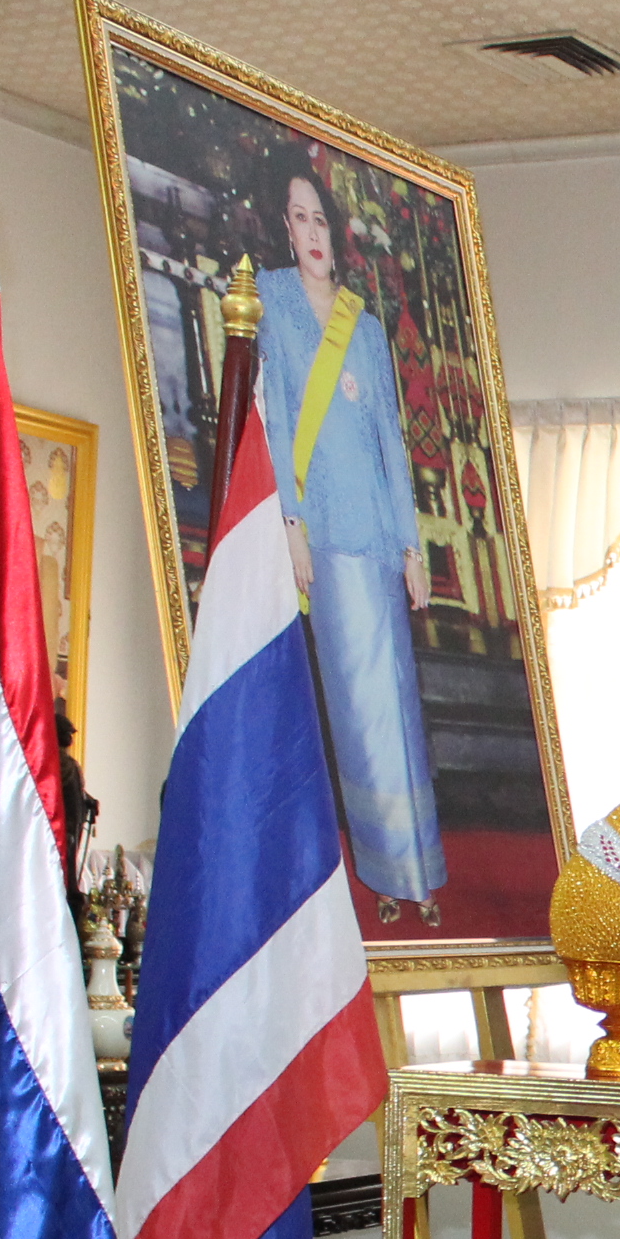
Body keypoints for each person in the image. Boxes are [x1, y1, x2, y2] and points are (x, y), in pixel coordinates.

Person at [258, 159, 447, 925]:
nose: (309, 232)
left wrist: (412, 546)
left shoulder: (364, 328)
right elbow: (274, 417)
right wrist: (291, 525)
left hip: (375, 532)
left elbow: (390, 440)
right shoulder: (272, 305)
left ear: (336, 233)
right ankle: (384, 871)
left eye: (319, 219)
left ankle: (421, 870)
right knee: (359, 707)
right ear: (285, 228)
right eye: (297, 218)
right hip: (326, 535)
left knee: (398, 701)